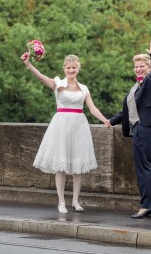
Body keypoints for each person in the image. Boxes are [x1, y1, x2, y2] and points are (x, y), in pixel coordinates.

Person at [21, 52, 109, 214]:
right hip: (61, 125)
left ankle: (75, 200)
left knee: (78, 166)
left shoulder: (83, 88)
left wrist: (105, 120)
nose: (71, 70)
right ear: (64, 69)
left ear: (78, 69)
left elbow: (92, 108)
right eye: (68, 68)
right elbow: (41, 77)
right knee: (60, 166)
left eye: (74, 67)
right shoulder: (57, 83)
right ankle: (61, 202)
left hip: (79, 125)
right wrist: (29, 64)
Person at [106, 41, 151, 219]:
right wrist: (112, 120)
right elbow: (127, 110)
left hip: (145, 128)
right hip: (140, 129)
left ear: (148, 67)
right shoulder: (136, 87)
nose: (138, 69)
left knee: (143, 168)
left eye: (142, 66)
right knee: (149, 167)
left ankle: (146, 205)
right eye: (136, 67)